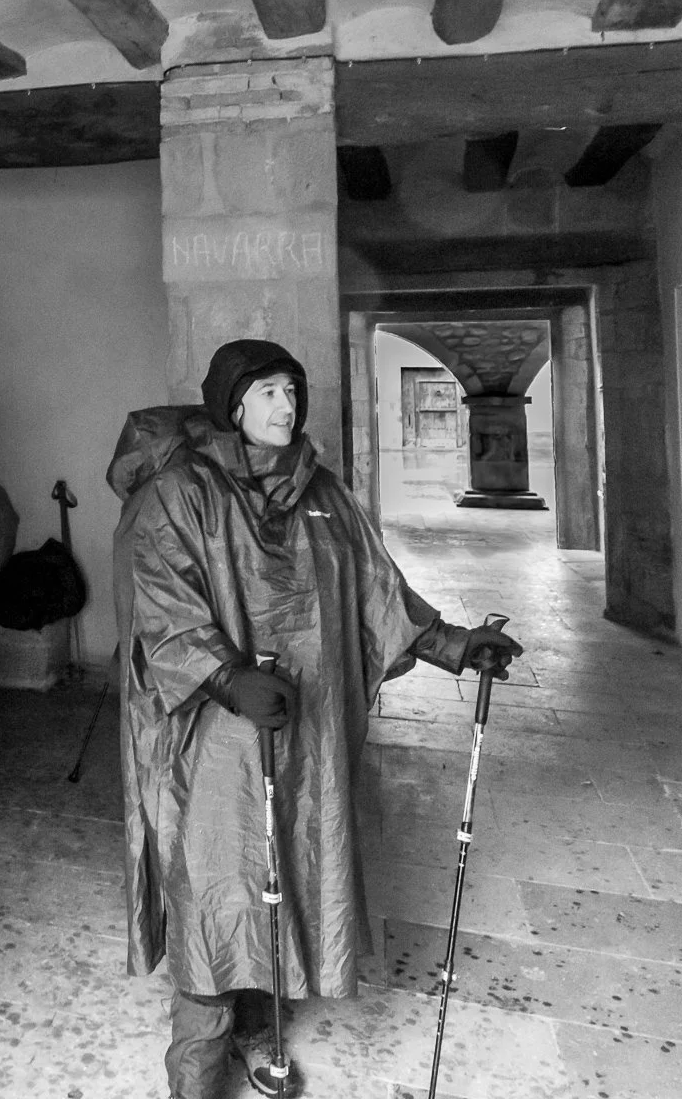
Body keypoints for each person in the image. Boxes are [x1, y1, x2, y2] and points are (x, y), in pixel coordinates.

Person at [110, 339, 521, 1099]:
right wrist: (224, 675)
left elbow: (377, 591)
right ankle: (196, 1066)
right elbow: (161, 601)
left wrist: (456, 645)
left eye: (291, 391)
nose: (286, 407)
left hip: (312, 731)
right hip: (217, 739)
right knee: (217, 883)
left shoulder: (324, 492)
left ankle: (262, 1013)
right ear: (232, 405)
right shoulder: (184, 492)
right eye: (266, 393)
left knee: (292, 871)